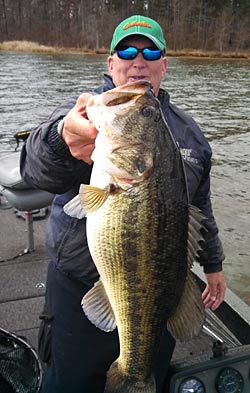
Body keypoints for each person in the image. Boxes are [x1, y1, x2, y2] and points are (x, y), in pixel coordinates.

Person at [20, 15, 226, 393]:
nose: (139, 60)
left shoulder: (192, 137)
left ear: (164, 65)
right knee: (69, 384)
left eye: (151, 52)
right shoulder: (84, 114)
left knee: (146, 373)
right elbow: (35, 170)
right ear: (111, 63)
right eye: (127, 50)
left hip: (159, 294)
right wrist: (61, 140)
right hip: (78, 286)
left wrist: (213, 265)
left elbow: (200, 207)